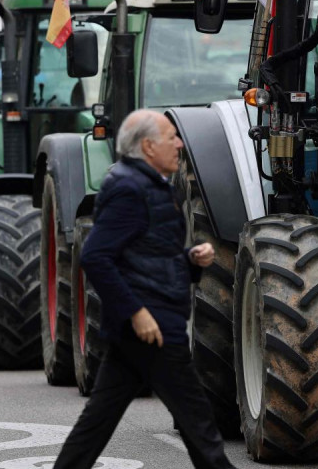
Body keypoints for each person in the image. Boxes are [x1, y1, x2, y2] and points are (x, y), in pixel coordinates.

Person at [50, 110, 231, 469]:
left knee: (98, 424)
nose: (179, 143)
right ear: (148, 146)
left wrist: (189, 260)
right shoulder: (129, 188)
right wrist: (137, 312)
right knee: (200, 427)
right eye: (170, 138)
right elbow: (96, 256)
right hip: (153, 326)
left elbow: (144, 255)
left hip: (145, 327)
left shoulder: (146, 184)